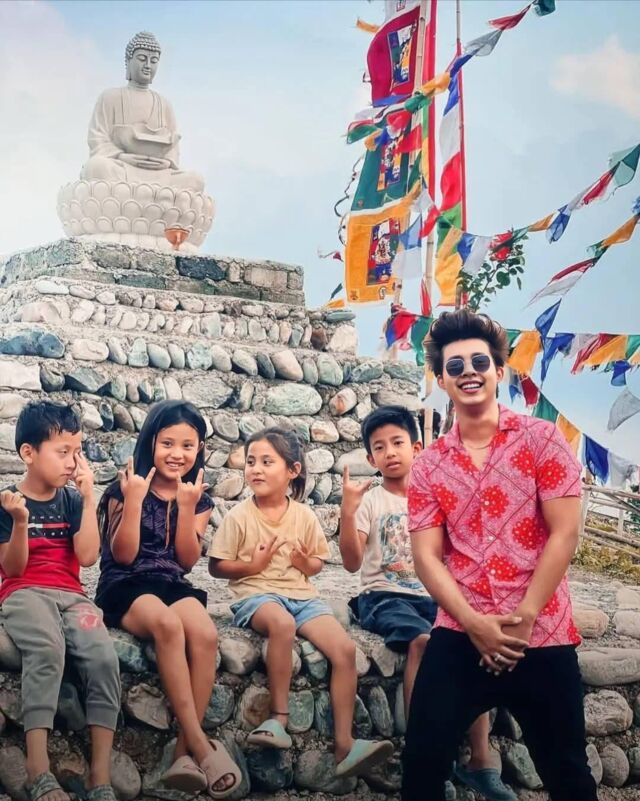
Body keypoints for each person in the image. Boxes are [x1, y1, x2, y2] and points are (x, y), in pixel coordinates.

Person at [403, 309, 598, 801]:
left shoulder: (542, 439)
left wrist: (525, 617)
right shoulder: (428, 466)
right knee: (421, 765)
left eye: (479, 362)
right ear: (441, 380)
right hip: (461, 629)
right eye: (454, 366)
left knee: (568, 773)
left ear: (499, 370)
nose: (468, 372)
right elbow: (426, 556)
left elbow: (565, 533)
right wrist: (473, 624)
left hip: (543, 628)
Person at [340, 404, 515, 801]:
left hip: (433, 595)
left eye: (397, 442)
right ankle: (421, 752)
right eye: (379, 447)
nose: (390, 452)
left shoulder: (436, 497)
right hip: (384, 596)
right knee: (423, 642)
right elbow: (351, 563)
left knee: (473, 641)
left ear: (417, 448)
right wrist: (348, 513)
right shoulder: (371, 500)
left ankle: (480, 760)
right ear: (371, 458)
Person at [208, 426, 393, 778]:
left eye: (267, 462)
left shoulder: (304, 516)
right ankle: (278, 719)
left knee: (345, 649)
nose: (256, 469)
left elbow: (317, 564)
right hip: (257, 594)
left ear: (293, 470)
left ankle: (345, 744)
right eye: (251, 462)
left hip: (303, 597)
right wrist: (253, 566)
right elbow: (217, 567)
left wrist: (303, 562)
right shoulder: (239, 516)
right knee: (282, 625)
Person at [96, 400, 241, 799]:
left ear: (199, 449)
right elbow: (123, 555)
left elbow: (186, 561)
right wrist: (135, 500)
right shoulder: (123, 488)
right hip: (125, 583)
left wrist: (187, 507)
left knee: (206, 634)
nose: (177, 454)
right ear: (151, 443)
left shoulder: (197, 497)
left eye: (187, 446)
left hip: (170, 581)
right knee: (167, 625)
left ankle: (181, 755)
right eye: (168, 444)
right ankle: (200, 744)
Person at [0, 401, 120, 801]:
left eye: (77, 452)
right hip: (24, 592)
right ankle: (37, 767)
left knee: (103, 656)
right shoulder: (8, 503)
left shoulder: (71, 501)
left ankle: (99, 775)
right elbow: (12, 569)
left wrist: (88, 500)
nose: (72, 462)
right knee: (47, 648)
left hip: (72, 596)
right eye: (62, 451)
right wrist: (20, 523)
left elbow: (86, 557)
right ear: (28, 453)